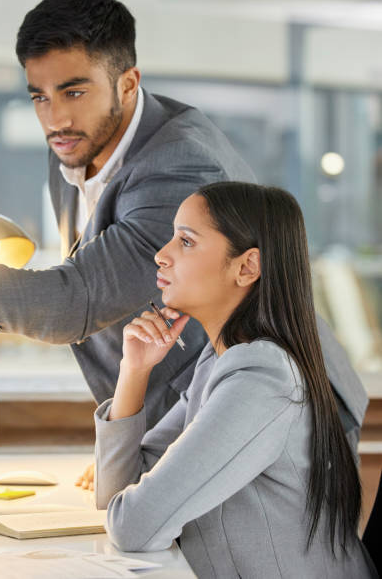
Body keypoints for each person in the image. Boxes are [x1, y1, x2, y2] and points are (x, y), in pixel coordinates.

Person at [0, 0, 367, 490]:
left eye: (74, 91)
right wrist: (128, 448)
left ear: (127, 83)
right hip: (184, 419)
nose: (55, 117)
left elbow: (78, 299)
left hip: (274, 423)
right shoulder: (74, 144)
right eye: (40, 96)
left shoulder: (178, 168)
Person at [94, 182, 376, 578]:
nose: (162, 255)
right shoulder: (219, 360)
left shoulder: (261, 379)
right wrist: (134, 372)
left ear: (246, 267)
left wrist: (133, 507)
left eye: (186, 241)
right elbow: (116, 497)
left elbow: (134, 526)